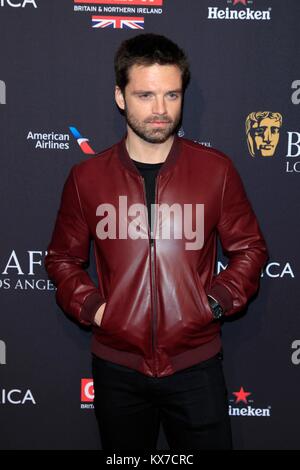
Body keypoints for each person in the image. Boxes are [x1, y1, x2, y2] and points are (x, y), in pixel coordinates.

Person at [45, 33, 268, 450]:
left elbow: (250, 249)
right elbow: (61, 259)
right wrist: (97, 310)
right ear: (120, 96)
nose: (161, 110)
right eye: (145, 95)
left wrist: (212, 303)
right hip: (118, 369)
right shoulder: (86, 178)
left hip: (196, 365)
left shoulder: (215, 171)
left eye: (172, 94)